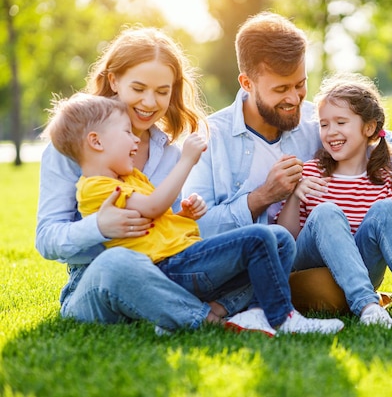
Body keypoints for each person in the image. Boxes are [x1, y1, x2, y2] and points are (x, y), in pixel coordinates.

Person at [183, 11, 392, 316]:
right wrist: (262, 196)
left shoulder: (313, 120)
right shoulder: (209, 139)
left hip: (336, 254)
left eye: (301, 85)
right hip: (274, 271)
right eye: (281, 89)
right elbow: (195, 232)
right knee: (329, 295)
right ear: (247, 83)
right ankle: (369, 298)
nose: (294, 98)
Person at [34, 26, 320, 335]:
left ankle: (203, 310)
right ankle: (209, 321)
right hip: (98, 280)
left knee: (276, 239)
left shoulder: (170, 155)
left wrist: (184, 216)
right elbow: (47, 239)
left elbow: (164, 229)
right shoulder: (72, 150)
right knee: (117, 262)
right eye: (139, 88)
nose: (149, 102)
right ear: (114, 81)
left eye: (162, 91)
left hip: (167, 273)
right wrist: (99, 227)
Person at [276, 72, 392, 329]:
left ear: (368, 128)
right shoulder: (310, 173)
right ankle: (368, 307)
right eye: (324, 124)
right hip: (312, 265)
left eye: (341, 122)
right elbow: (288, 240)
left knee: (388, 209)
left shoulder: (387, 181)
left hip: (364, 267)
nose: (331, 132)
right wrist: (296, 195)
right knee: (326, 212)